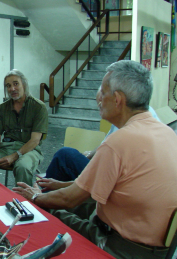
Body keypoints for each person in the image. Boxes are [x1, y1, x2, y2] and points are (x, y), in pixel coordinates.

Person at [13, 60, 177, 259]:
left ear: (117, 99)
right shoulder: (167, 132)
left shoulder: (119, 142)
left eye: (103, 91)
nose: (98, 97)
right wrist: (61, 185)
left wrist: (35, 198)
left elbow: (69, 199)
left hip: (120, 246)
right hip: (156, 249)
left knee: (47, 211)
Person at [45, 102, 160, 183]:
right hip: (118, 175)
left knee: (65, 155)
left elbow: (109, 163)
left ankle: (41, 203)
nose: (99, 102)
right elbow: (105, 144)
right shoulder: (148, 116)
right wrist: (90, 154)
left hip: (116, 180)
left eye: (104, 94)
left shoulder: (128, 125)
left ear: (118, 97)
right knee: (68, 159)